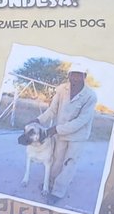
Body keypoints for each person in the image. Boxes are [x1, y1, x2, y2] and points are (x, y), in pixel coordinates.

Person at [35, 63, 98, 205]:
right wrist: (38, 120)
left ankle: (58, 192)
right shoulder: (62, 90)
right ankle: (49, 184)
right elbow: (52, 110)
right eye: (72, 74)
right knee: (56, 160)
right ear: (68, 75)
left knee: (69, 162)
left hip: (78, 136)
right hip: (61, 133)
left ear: (84, 76)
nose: (75, 78)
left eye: (79, 75)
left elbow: (81, 121)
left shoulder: (90, 96)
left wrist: (56, 129)